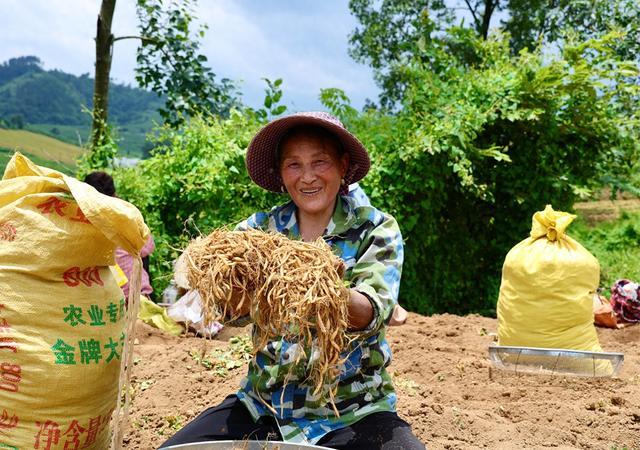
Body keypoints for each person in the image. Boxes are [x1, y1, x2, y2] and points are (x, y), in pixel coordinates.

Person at [160, 112, 424, 449]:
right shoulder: (255, 232)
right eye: (294, 165)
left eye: (320, 162)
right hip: (265, 408)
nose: (308, 176)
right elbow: (234, 313)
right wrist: (227, 291)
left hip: (352, 411)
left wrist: (321, 288)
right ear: (281, 175)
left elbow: (372, 311)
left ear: (343, 166)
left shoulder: (375, 229)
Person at [83, 171, 155, 300]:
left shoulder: (79, 214)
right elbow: (148, 247)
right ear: (113, 193)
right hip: (131, 293)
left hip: (94, 292)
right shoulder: (126, 213)